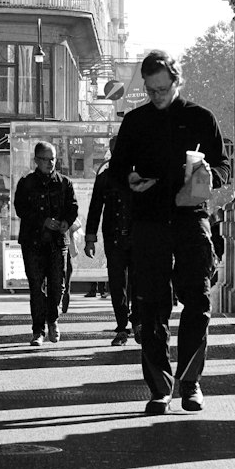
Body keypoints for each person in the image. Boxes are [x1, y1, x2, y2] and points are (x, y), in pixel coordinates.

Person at [109, 49, 230, 414]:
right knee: (150, 305)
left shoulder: (200, 118)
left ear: (177, 81)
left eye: (163, 89)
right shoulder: (135, 122)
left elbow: (224, 164)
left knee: (198, 300)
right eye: (151, 90)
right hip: (148, 221)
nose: (157, 97)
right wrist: (129, 179)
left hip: (191, 217)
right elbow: (116, 171)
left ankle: (191, 383)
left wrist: (213, 176)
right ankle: (159, 389)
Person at [13, 141, 78, 347]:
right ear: (36, 160)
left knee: (58, 285)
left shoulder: (64, 182)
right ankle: (38, 330)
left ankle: (53, 320)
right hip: (33, 242)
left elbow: (73, 206)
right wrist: (43, 221)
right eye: (46, 159)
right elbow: (21, 209)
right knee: (36, 287)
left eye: (53, 159)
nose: (50, 163)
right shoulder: (26, 183)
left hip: (58, 242)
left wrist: (66, 221)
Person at [84, 138, 140, 346]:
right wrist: (90, 238)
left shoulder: (139, 178)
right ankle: (122, 326)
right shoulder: (105, 178)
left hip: (136, 237)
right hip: (114, 238)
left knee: (138, 281)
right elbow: (95, 209)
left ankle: (137, 322)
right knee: (117, 284)